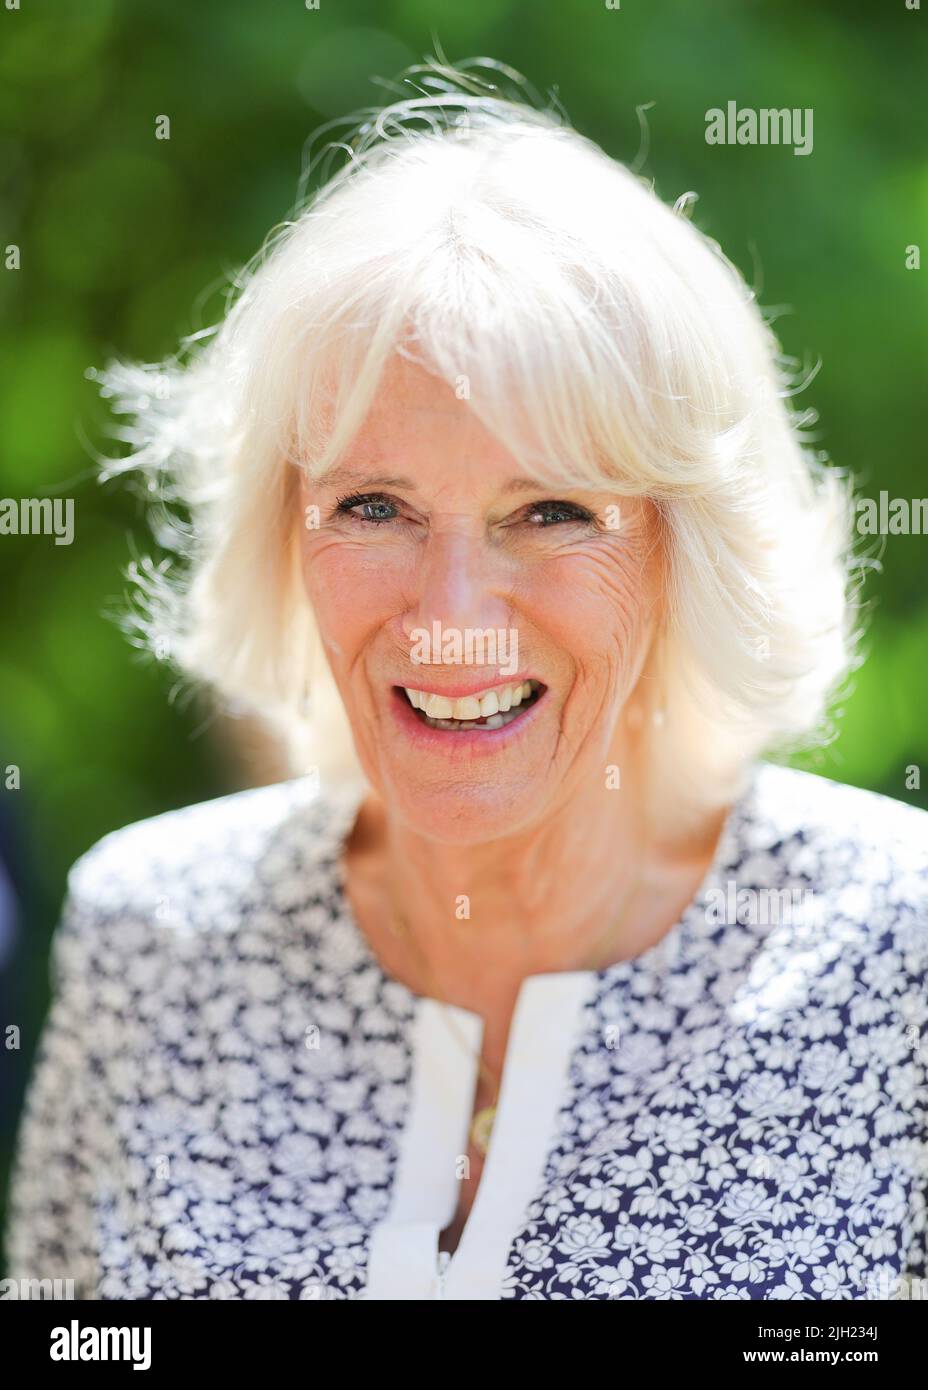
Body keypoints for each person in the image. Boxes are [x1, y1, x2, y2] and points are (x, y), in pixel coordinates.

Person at [5, 61, 927, 1301]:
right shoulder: (153, 935)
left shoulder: (892, 949)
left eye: (548, 510)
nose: (446, 618)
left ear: (685, 552)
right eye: (373, 506)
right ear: (283, 534)